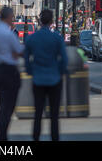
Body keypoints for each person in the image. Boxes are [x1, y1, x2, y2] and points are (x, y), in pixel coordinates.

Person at [24, 9, 68, 141]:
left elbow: (26, 59)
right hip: (54, 78)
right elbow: (64, 59)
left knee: (38, 113)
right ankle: (55, 138)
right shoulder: (57, 38)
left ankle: (35, 138)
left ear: (40, 21)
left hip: (38, 79)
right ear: (52, 21)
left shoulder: (32, 38)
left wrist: (31, 71)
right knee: (54, 115)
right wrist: (60, 72)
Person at [0, 7, 24, 141]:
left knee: (2, 104)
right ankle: (3, 135)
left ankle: (2, 134)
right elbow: (19, 51)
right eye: (12, 17)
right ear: (8, 17)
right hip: (9, 70)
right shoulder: (8, 34)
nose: (13, 20)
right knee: (8, 106)